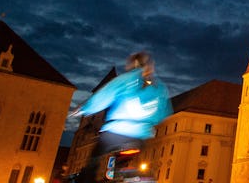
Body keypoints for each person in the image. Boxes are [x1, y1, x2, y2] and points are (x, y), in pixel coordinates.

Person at [70, 51, 172, 183]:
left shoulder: (127, 79)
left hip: (115, 131)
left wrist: (85, 108)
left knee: (93, 161)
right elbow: (164, 112)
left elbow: (105, 95)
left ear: (135, 64)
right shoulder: (159, 88)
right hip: (140, 135)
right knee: (122, 163)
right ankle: (133, 176)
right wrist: (149, 124)